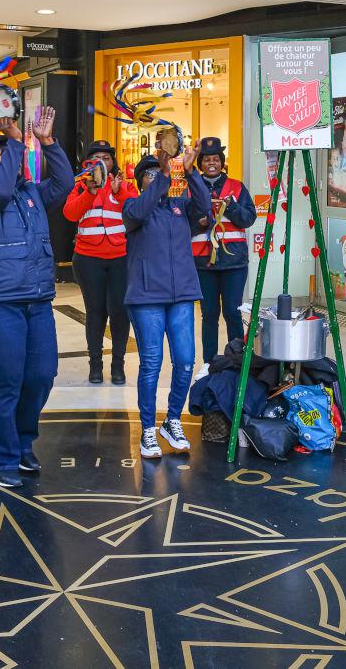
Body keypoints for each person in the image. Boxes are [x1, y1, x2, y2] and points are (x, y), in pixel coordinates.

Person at [0, 107, 74, 488]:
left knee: (40, 377)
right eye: (9, 156)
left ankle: (22, 444)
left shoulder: (31, 195)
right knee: (6, 381)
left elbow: (66, 182)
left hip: (36, 300)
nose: (19, 161)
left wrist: (49, 142)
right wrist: (16, 141)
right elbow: (0, 189)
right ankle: (2, 457)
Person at [123, 140, 210, 459]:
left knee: (186, 360)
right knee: (151, 363)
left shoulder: (179, 207)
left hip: (182, 295)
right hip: (146, 297)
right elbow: (146, 202)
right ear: (141, 181)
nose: (155, 177)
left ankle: (172, 419)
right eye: (148, 173)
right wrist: (162, 168)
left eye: (157, 173)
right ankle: (148, 427)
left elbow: (203, 206)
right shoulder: (134, 209)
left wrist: (191, 172)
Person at [63, 139, 137, 385]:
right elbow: (70, 213)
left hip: (120, 259)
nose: (102, 162)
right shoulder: (80, 187)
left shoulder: (124, 185)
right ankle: (95, 364)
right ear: (88, 163)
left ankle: (118, 365)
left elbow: (136, 214)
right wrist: (89, 192)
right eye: (97, 158)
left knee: (119, 312)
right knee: (95, 312)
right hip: (88, 260)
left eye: (107, 158)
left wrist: (120, 192)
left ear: (113, 162)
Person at [188, 137, 256, 363]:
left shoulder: (236, 187)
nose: (211, 163)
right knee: (208, 315)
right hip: (203, 263)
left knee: (233, 314)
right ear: (200, 163)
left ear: (222, 161)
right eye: (207, 159)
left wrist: (232, 206)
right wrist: (201, 223)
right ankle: (209, 364)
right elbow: (182, 226)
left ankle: (235, 362)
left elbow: (248, 219)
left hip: (234, 264)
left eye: (215, 159)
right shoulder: (190, 190)